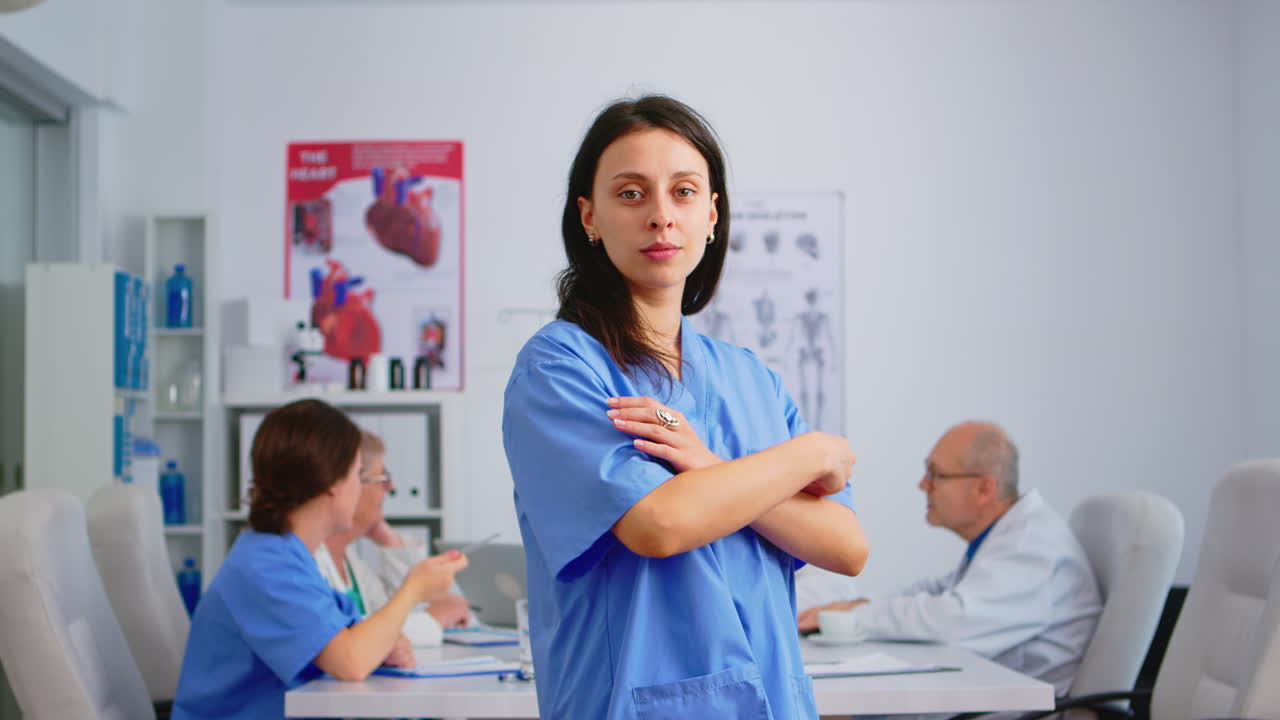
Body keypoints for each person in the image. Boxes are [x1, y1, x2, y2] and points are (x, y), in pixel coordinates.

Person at [502, 95, 869, 720]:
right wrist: (813, 451)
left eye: (684, 191)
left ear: (712, 214)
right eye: (631, 194)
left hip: (773, 701)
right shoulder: (561, 367)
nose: (661, 217)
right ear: (589, 216)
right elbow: (658, 525)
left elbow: (846, 546)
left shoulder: (749, 377)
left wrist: (704, 462)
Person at [172, 399, 468, 719]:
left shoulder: (289, 556)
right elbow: (351, 661)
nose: (361, 487)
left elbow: (353, 639)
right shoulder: (265, 565)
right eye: (357, 474)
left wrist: (384, 647)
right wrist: (414, 589)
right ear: (330, 482)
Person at [798, 421, 1102, 695]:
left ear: (984, 489)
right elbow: (937, 592)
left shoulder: (1034, 546)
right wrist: (856, 606)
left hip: (1013, 707)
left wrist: (854, 618)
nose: (923, 484)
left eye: (936, 474)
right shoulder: (1005, 540)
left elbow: (952, 620)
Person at [314, 429, 471, 647]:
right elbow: (352, 642)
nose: (391, 488)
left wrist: (390, 541)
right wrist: (432, 619)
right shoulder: (308, 558)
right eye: (383, 478)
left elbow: (393, 617)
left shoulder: (351, 563)